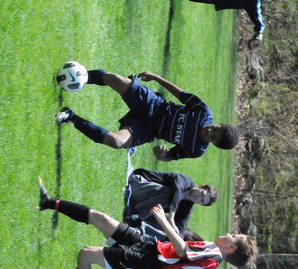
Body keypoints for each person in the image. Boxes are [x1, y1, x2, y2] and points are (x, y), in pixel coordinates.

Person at [38, 177, 257, 268]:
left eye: (233, 236)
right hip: (150, 247)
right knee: (101, 219)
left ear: (231, 247)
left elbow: (183, 250)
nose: (229, 233)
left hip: (146, 261)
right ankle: (48, 202)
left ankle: (49, 203)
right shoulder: (212, 259)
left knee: (86, 254)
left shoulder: (214, 253)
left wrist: (163, 221)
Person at [56, 69, 240, 160]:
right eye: (215, 128)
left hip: (147, 130)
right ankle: (77, 76)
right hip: (154, 105)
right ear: (219, 123)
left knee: (116, 142)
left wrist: (161, 155)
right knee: (116, 80)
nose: (209, 131)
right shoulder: (204, 112)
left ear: (214, 144)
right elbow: (180, 94)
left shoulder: (196, 149)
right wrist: (156, 77)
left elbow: (170, 156)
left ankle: (71, 117)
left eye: (213, 136)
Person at [124, 168, 218, 241]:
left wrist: (174, 231)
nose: (198, 197)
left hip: (140, 203)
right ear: (201, 186)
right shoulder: (186, 181)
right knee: (170, 196)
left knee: (167, 226)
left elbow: (181, 229)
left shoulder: (187, 207)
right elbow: (177, 190)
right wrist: (171, 217)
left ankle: (139, 229)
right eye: (201, 194)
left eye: (201, 200)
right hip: (137, 183)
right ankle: (134, 218)